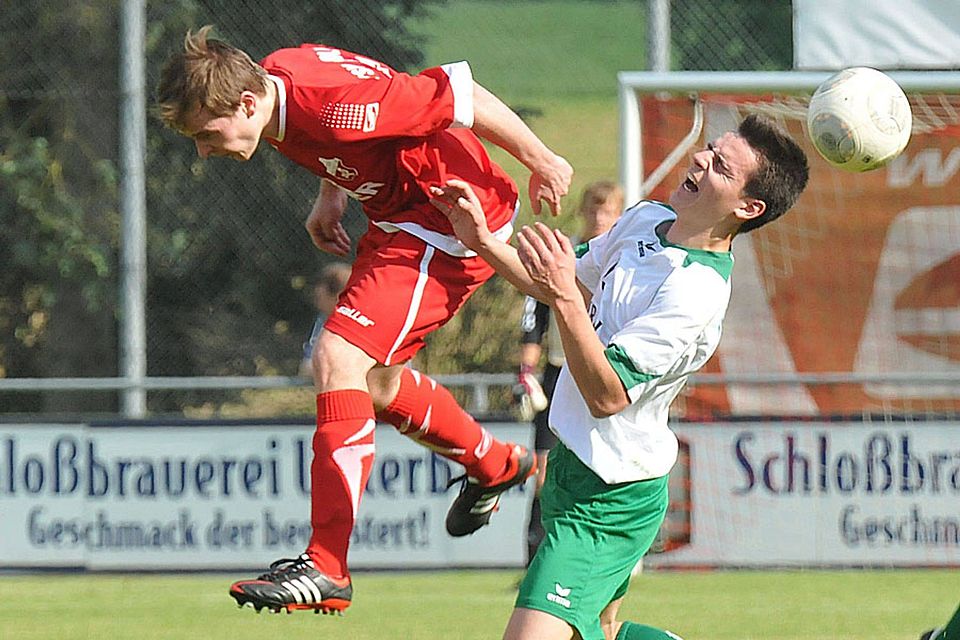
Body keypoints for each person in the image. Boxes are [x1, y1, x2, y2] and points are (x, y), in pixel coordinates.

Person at [156, 26, 573, 614]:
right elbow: (352, 127)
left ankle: (327, 566)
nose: (203, 150)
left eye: (206, 133)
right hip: (396, 216)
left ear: (247, 103)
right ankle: (494, 463)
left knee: (337, 359)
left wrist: (542, 158)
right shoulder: (278, 78)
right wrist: (333, 195)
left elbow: (462, 92)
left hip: (446, 221)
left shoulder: (333, 109)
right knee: (371, 385)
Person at [430, 113, 809, 640]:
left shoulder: (695, 293)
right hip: (572, 463)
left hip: (610, 495)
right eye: (708, 149)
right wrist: (484, 243)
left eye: (720, 166)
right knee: (601, 634)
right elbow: (564, 285)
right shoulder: (646, 219)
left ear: (748, 208)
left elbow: (608, 395)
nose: (700, 160)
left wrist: (563, 293)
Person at [516, 180, 624, 564]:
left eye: (607, 211)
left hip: (604, 373)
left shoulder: (624, 258)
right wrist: (526, 372)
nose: (598, 218)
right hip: (559, 372)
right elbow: (534, 320)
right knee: (544, 471)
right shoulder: (563, 257)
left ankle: (595, 557)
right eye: (593, 210)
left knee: (601, 468)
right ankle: (537, 559)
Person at [299, 262, 352, 377]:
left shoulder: (358, 322)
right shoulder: (323, 319)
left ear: (338, 296)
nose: (317, 302)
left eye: (319, 297)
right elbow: (307, 367)